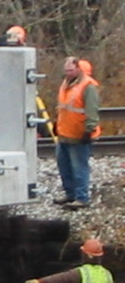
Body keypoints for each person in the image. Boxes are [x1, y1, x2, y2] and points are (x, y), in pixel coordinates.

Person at [52, 56, 100, 209]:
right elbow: (63, 108)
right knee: (64, 166)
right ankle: (70, 194)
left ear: (78, 69)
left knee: (79, 168)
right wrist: (56, 123)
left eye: (71, 70)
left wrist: (89, 130)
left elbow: (92, 110)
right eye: (66, 70)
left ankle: (81, 198)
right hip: (64, 133)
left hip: (78, 135)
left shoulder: (88, 86)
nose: (68, 72)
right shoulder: (66, 83)